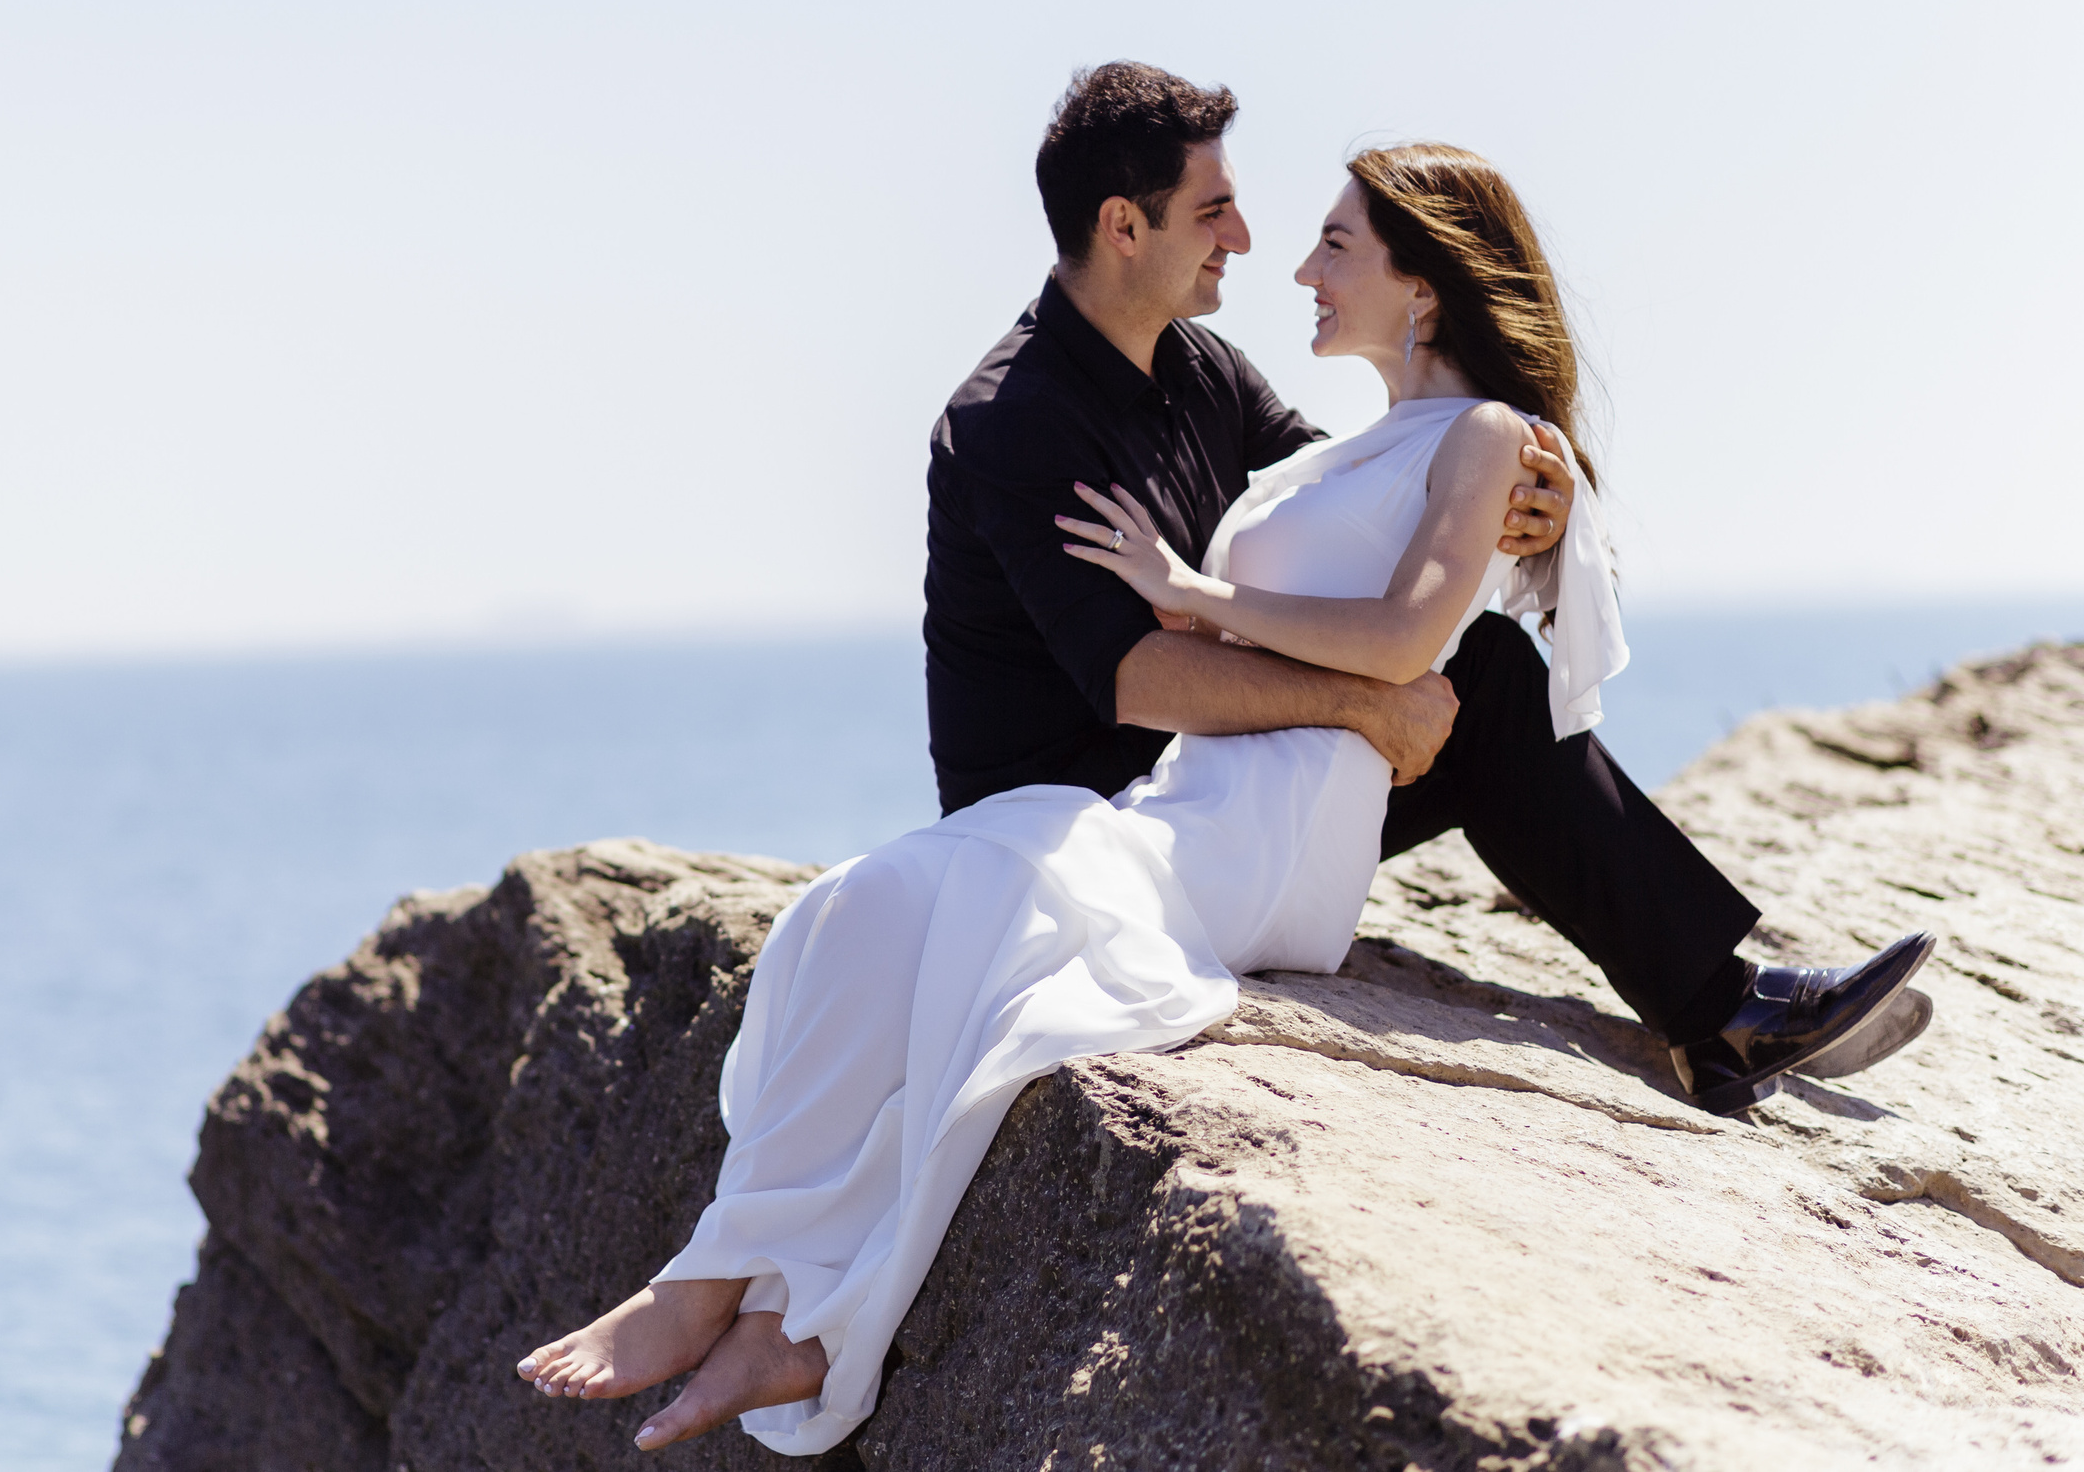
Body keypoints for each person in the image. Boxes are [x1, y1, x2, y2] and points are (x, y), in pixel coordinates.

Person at [513, 84, 1932, 1456]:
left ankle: (1720, 1002)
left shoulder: (1204, 375)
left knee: (1486, 683)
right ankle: (731, 1278)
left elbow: (1358, 504)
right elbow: (1138, 675)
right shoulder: (1013, 419)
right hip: (1094, 803)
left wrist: (1531, 501)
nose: (1246, 247)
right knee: (862, 916)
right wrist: (1366, 706)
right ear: (1124, 228)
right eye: (1218, 212)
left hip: (1240, 795)